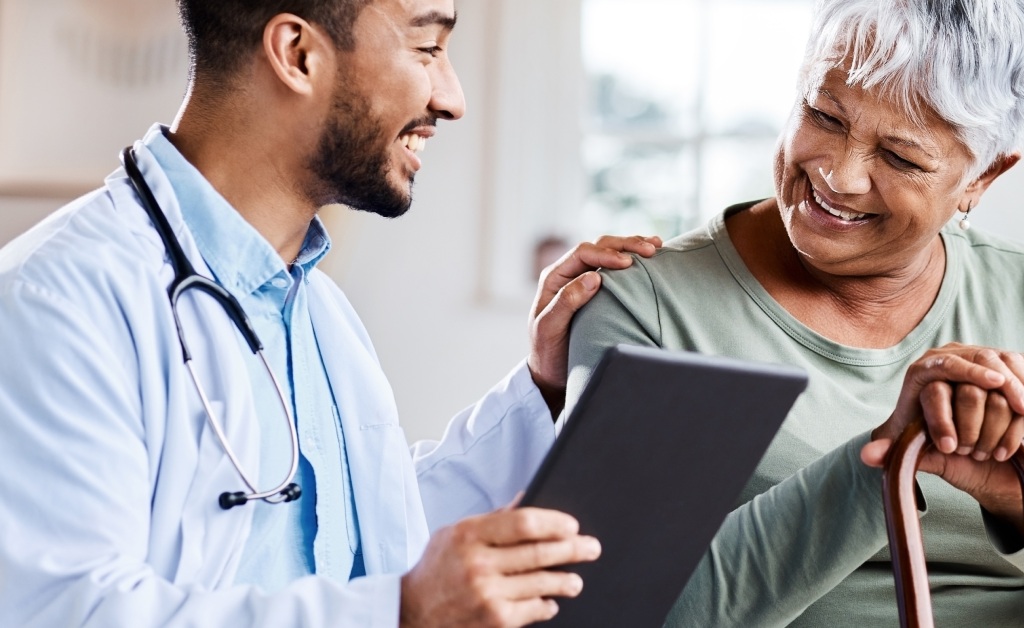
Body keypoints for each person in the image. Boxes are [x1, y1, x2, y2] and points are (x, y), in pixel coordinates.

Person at [0, 1, 663, 627]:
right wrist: (399, 614)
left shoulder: (315, 306)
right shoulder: (55, 302)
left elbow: (374, 544)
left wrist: (543, 387)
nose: (452, 98)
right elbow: (64, 610)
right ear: (297, 54)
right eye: (427, 48)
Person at [565, 0, 1024, 625]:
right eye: (823, 113)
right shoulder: (646, 305)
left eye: (900, 158)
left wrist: (1013, 488)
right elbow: (618, 609)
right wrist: (884, 459)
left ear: (984, 177)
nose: (839, 176)